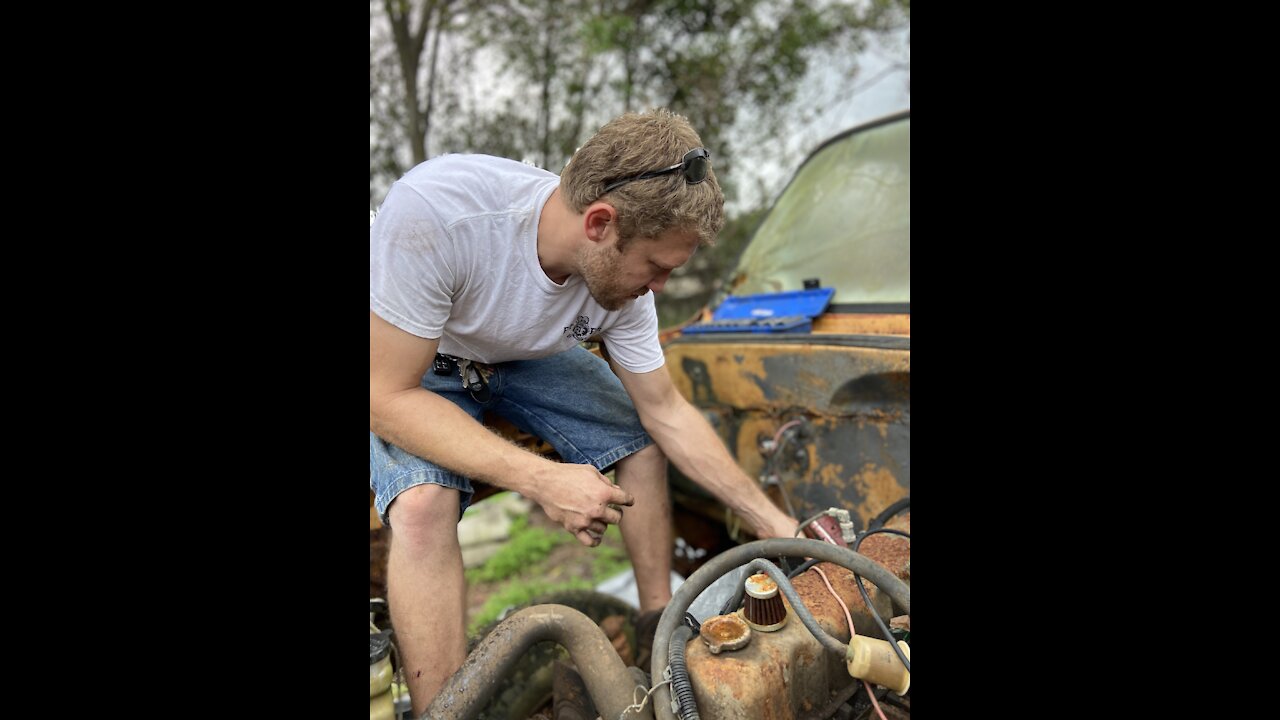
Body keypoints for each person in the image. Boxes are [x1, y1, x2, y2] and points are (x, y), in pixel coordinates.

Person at [369, 107, 798, 715]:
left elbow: (666, 411)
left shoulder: (621, 280)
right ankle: (446, 707)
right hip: (420, 354)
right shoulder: (442, 214)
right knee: (420, 503)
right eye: (655, 268)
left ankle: (657, 628)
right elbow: (384, 398)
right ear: (600, 223)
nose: (659, 288)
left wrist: (767, 519)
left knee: (637, 438)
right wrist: (542, 478)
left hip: (528, 355)